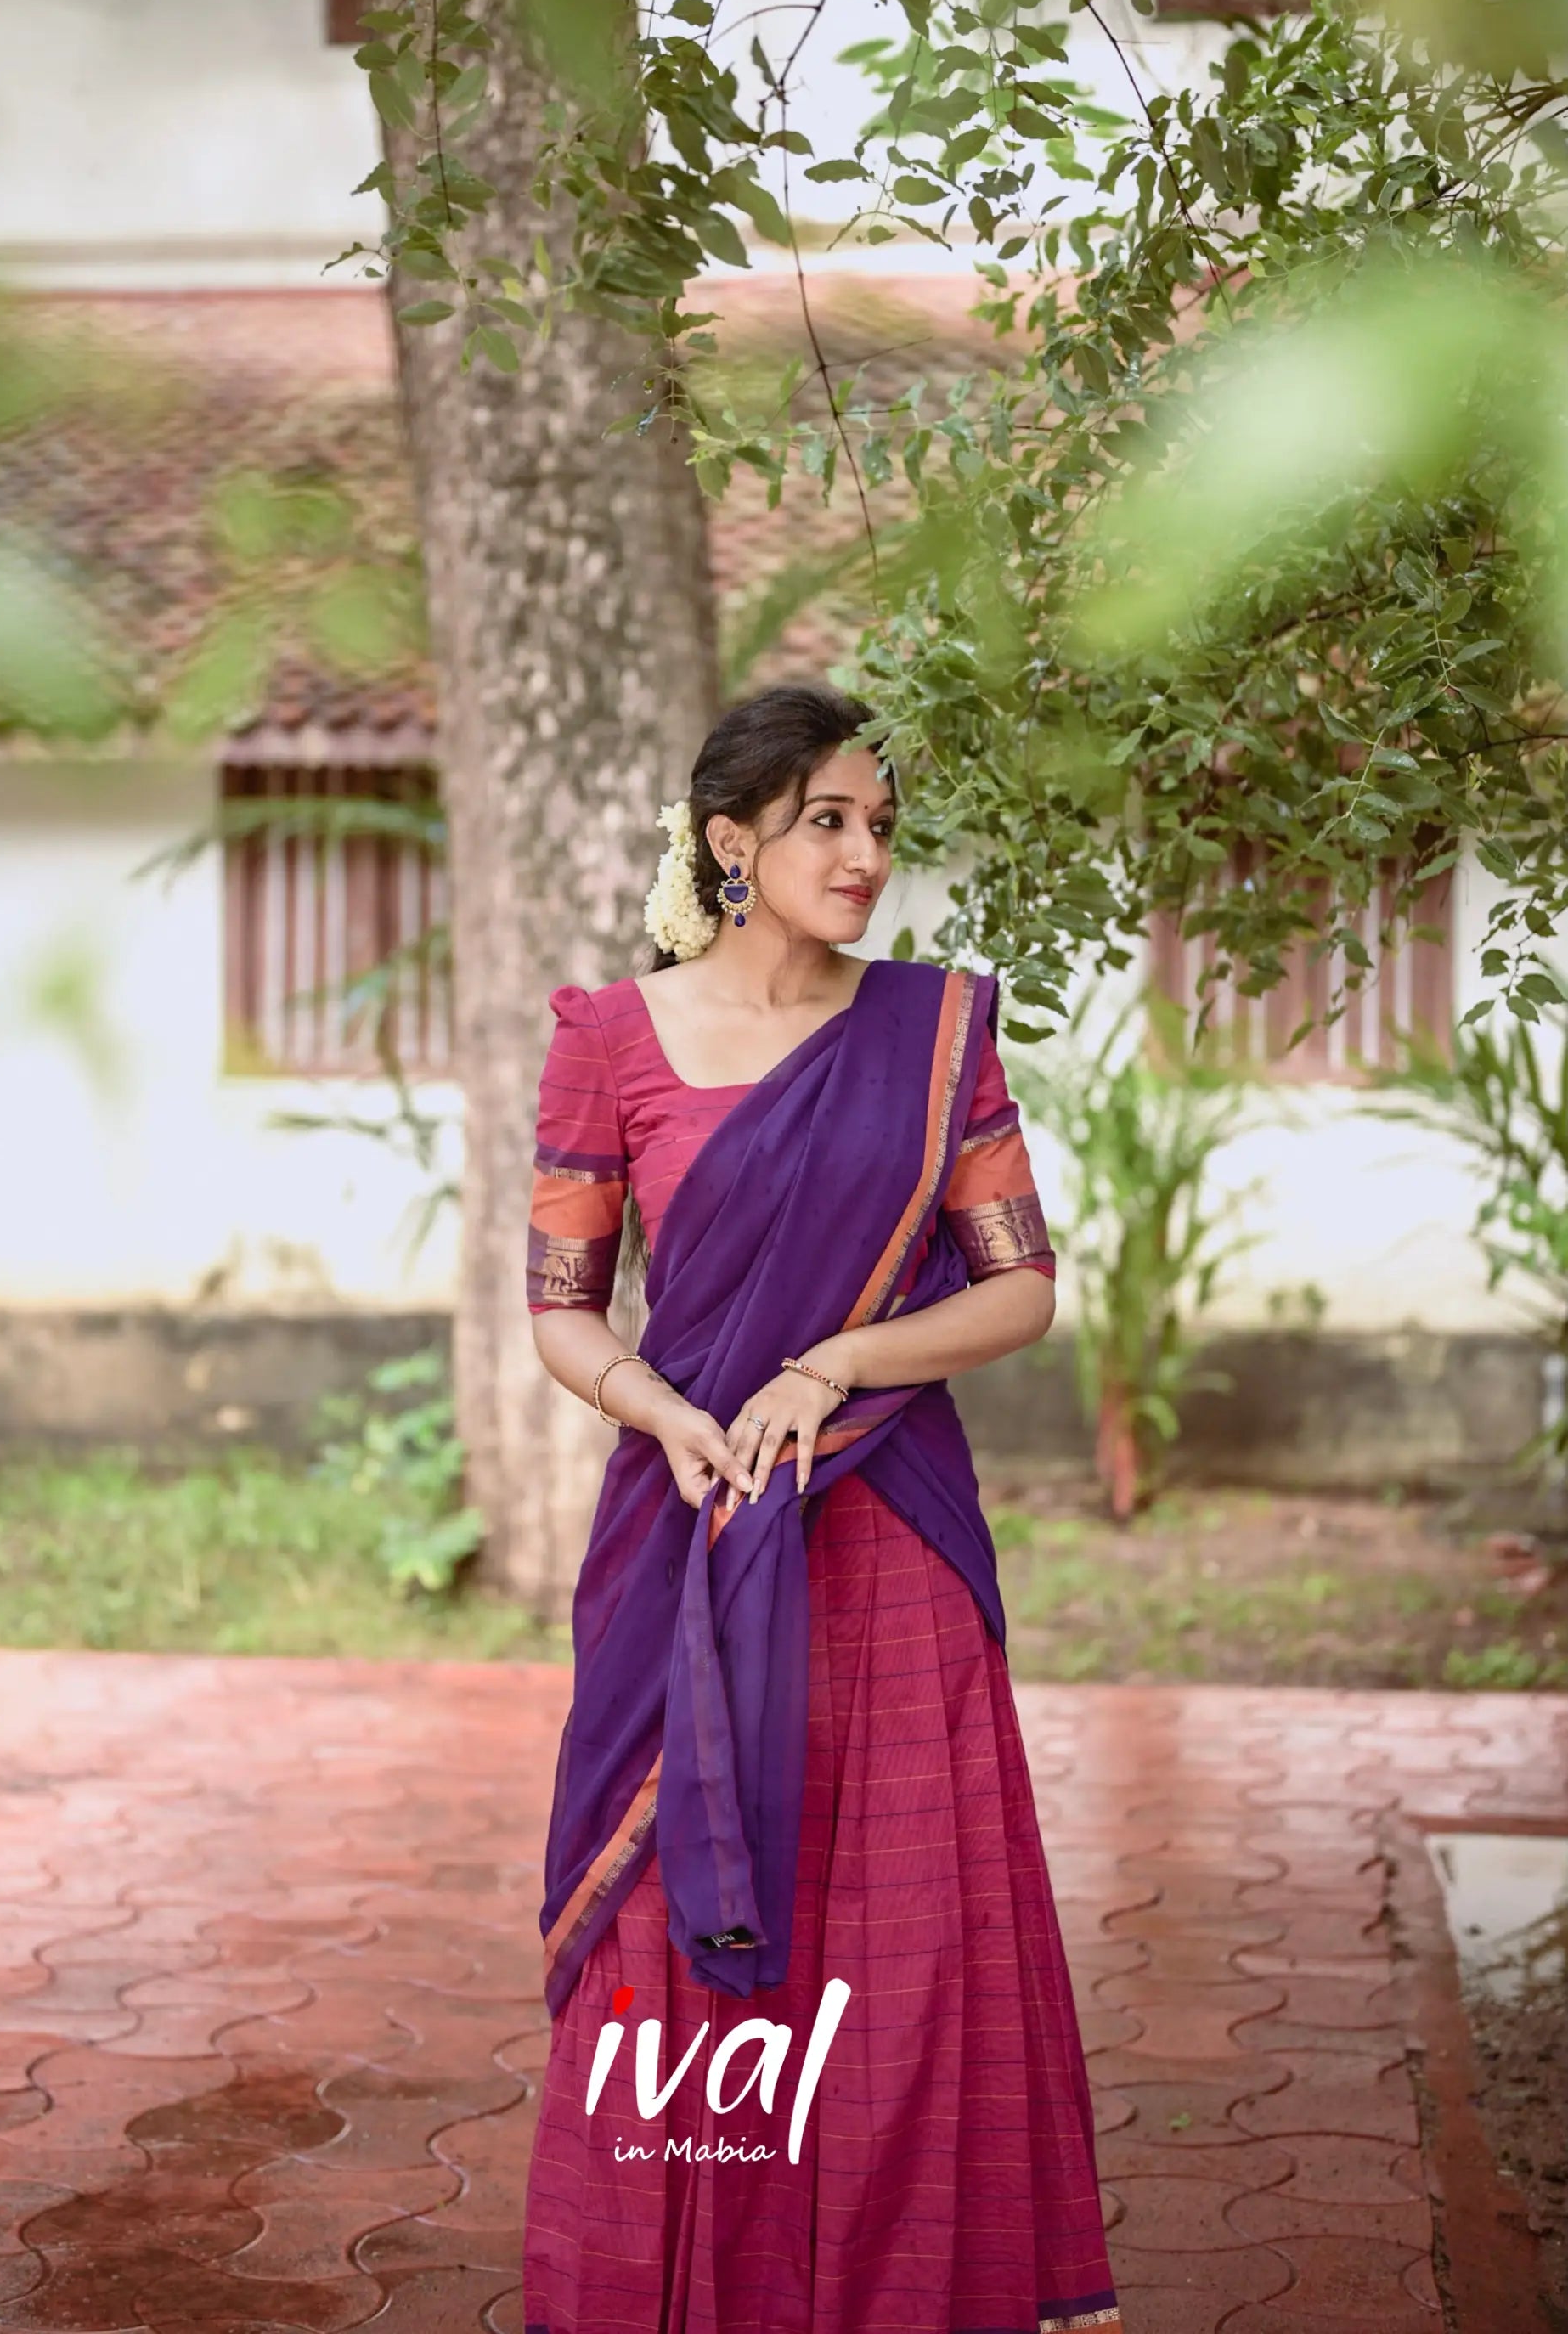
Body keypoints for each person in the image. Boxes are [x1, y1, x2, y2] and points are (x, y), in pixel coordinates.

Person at [521, 682, 1121, 2334]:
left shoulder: (933, 1033)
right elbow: (562, 1305)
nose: (864, 857)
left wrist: (839, 1361)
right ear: (732, 845)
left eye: (877, 825)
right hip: (691, 1543)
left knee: (909, 1953)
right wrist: (664, 1408)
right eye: (825, 825)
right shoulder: (607, 1042)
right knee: (674, 1929)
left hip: (888, 1539)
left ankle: (895, 2292)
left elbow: (1019, 1292)